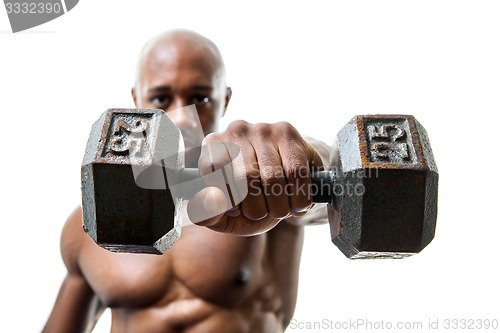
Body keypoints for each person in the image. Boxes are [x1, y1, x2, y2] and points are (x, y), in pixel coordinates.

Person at [43, 29, 330, 333]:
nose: (181, 116)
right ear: (137, 99)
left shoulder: (262, 187)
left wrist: (304, 158)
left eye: (200, 98)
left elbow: (322, 196)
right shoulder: (92, 221)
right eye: (161, 98)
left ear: (225, 100)